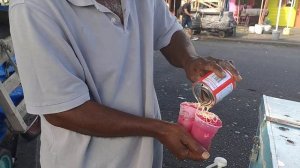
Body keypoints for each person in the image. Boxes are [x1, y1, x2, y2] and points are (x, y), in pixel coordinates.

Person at [9, 0, 242, 168]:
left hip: (145, 158)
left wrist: (189, 60)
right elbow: (61, 110)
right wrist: (159, 129)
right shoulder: (34, 7)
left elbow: (168, 31)